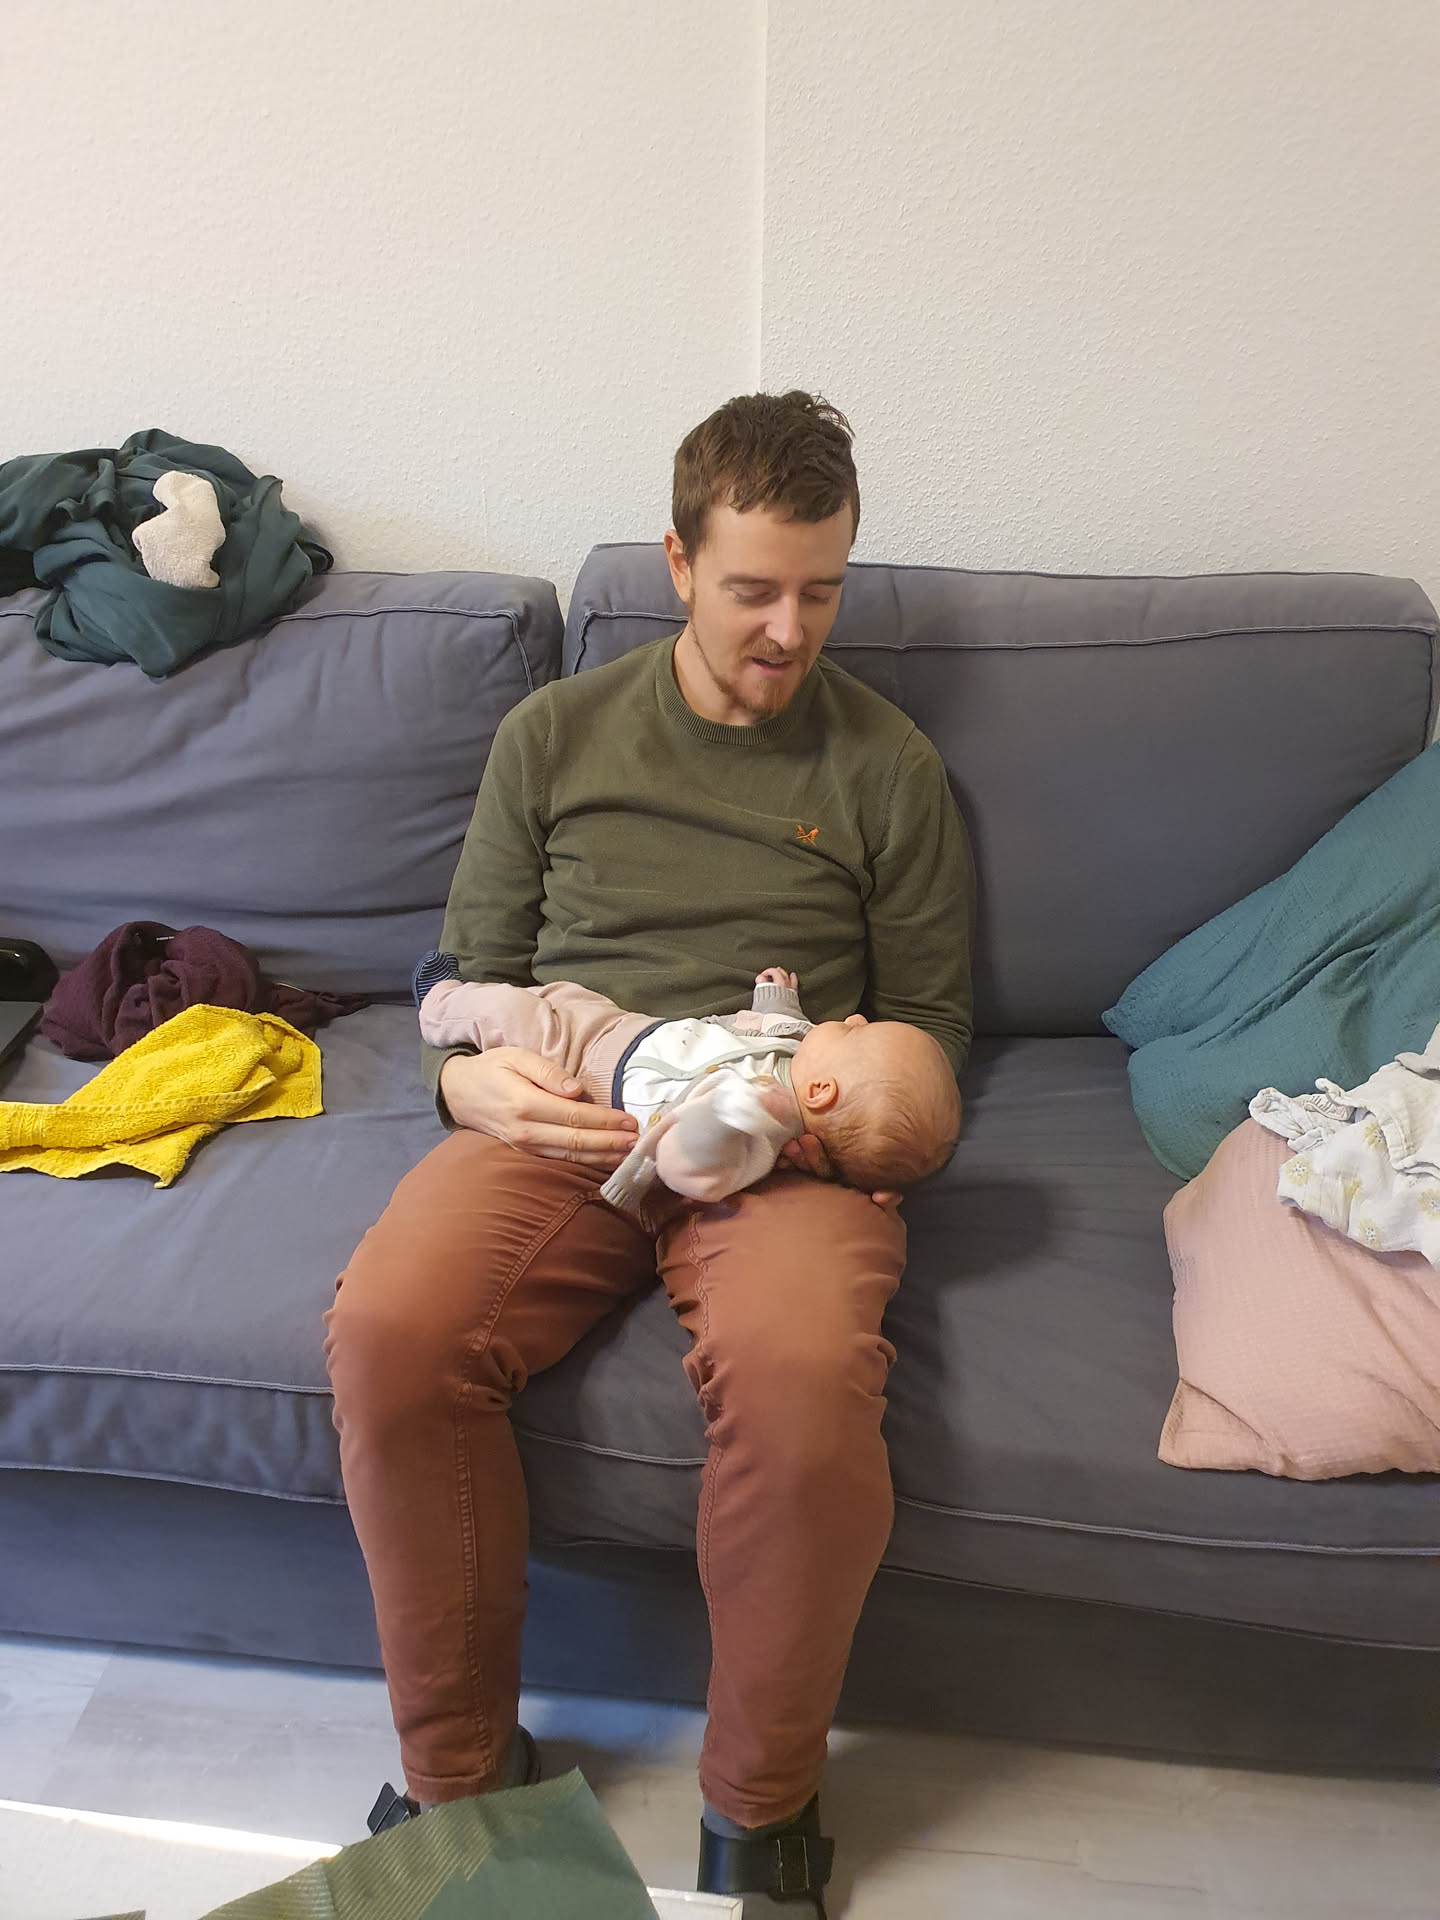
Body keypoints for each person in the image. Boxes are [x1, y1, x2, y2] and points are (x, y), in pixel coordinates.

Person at [323, 391, 975, 1912]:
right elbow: (462, 979)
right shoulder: (553, 735)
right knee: (392, 1333)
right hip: (564, 1106)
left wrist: (839, 1110)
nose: (789, 630)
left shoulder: (888, 767)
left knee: (804, 1384)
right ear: (678, 563)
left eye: (821, 592)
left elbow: (933, 1024)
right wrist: (463, 1089)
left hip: (780, 1129)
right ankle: (460, 1790)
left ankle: (760, 1811)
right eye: (753, 590)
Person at [415, 965, 962, 1207]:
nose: (856, 1018)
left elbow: (689, 1167)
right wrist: (776, 1000)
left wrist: (709, 1127)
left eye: (855, 1031)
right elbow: (779, 1031)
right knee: (557, 994)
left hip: (586, 1075)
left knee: (508, 1013)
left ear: (820, 1092)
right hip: (627, 1029)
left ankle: (439, 1003)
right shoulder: (802, 1060)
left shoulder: (757, 1125)